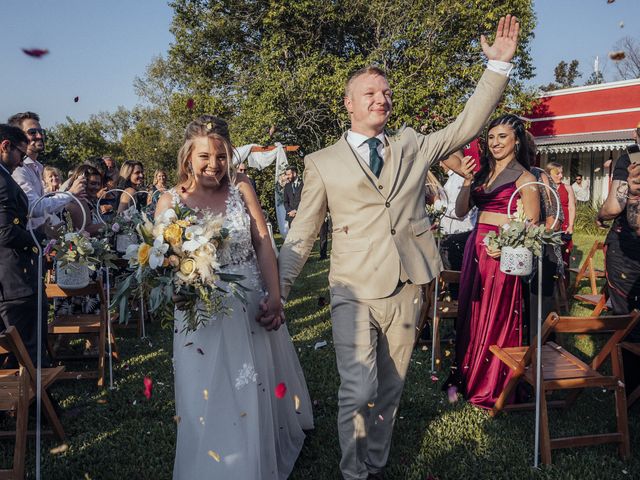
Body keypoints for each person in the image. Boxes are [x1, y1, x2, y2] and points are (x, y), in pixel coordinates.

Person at [278, 15, 519, 479]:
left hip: (409, 282)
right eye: (370, 93)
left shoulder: (413, 145)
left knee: (390, 387)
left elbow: (468, 124)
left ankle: (376, 463)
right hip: (351, 286)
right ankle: (353, 472)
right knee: (356, 386)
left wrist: (499, 69)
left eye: (386, 93)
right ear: (348, 104)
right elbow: (304, 233)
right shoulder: (321, 163)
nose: (382, 99)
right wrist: (280, 291)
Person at [154, 115, 312, 479]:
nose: (214, 165)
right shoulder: (169, 201)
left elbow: (261, 242)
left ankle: (254, 457)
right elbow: (164, 259)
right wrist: (176, 286)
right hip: (197, 308)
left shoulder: (242, 187)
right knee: (202, 389)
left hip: (248, 299)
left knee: (250, 383)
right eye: (204, 157)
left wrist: (275, 296)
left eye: (221, 156)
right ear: (187, 158)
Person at [448, 114, 539, 409]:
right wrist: (466, 181)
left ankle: (494, 383)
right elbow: (461, 212)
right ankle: (469, 374)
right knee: (472, 314)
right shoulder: (482, 172)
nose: (496, 143)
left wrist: (508, 243)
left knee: (496, 315)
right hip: (476, 250)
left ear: (516, 141)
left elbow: (533, 225)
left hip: (503, 255)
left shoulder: (525, 178)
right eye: (491, 137)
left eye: (502, 137)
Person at [0, 124, 49, 366]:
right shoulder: (3, 183)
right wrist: (39, 235)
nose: (21, 162)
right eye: (20, 153)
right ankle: (33, 402)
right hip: (15, 281)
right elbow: (5, 232)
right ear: (5, 146)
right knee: (27, 351)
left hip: (8, 281)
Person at [598, 129, 640, 399]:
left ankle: (627, 387)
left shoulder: (631, 157)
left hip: (627, 248)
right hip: (630, 245)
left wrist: (601, 214)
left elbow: (614, 206)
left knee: (627, 317)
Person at [8, 112, 86, 233]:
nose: (39, 136)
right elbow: (34, 208)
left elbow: (45, 208)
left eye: (41, 131)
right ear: (19, 137)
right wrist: (69, 193)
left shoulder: (38, 167)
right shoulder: (18, 168)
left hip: (43, 237)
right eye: (32, 132)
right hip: (27, 241)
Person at [438, 152, 478, 271]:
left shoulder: (459, 179)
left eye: (445, 159)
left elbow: (459, 212)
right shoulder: (453, 178)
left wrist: (436, 203)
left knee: (456, 280)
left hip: (459, 235)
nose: (441, 164)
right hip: (454, 235)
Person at [545, 162, 575, 272]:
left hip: (565, 225)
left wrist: (571, 225)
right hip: (551, 225)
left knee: (564, 254)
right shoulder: (545, 188)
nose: (561, 176)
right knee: (550, 253)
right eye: (557, 173)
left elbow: (572, 207)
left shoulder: (567, 188)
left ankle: (564, 285)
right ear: (549, 174)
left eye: (561, 173)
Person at [66, 165, 104, 236]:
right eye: (93, 183)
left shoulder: (92, 201)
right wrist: (111, 225)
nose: (97, 187)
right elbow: (86, 230)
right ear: (81, 183)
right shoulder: (77, 202)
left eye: (99, 184)